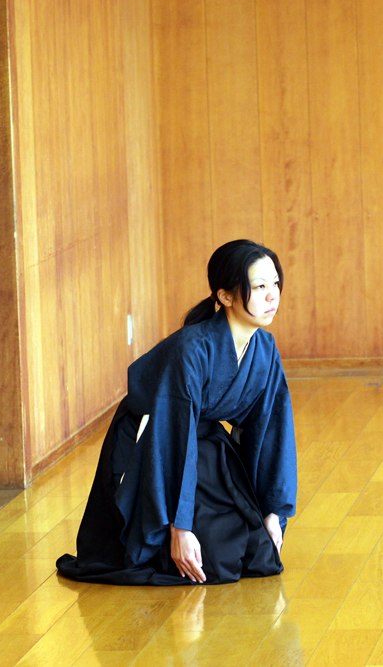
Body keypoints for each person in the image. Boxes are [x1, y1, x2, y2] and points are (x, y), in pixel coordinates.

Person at [56, 239, 298, 585]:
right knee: (214, 565)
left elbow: (272, 429)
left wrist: (272, 512)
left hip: (204, 444)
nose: (273, 295)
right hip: (151, 445)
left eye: (275, 283)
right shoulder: (192, 349)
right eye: (259, 287)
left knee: (260, 556)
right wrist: (179, 528)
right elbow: (172, 434)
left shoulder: (265, 347)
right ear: (225, 296)